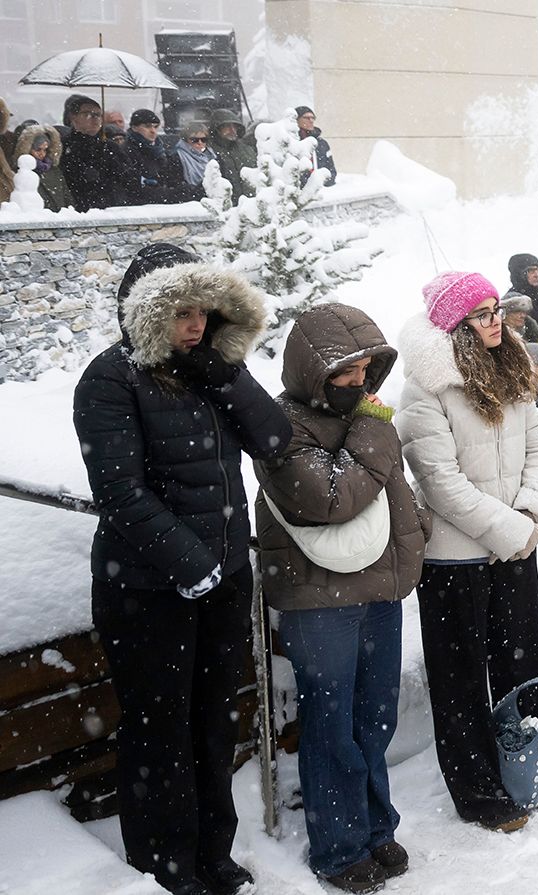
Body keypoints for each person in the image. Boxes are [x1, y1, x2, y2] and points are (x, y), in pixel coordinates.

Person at [74, 245, 291, 895]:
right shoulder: (110, 379)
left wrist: (228, 373)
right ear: (147, 312)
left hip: (222, 582)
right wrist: (192, 565)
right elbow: (121, 491)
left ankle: (212, 851)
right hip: (146, 590)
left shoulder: (209, 371)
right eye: (179, 312)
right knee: (159, 727)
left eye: (203, 311)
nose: (194, 325)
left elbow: (274, 440)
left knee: (213, 718)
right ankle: (167, 862)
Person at [256, 304, 426, 893]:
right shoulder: (283, 425)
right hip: (318, 601)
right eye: (344, 373)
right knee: (332, 724)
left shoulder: (362, 421)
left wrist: (417, 537)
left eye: (366, 371)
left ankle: (377, 829)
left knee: (373, 720)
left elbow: (388, 495)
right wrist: (375, 427)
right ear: (312, 371)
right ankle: (339, 846)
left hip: (379, 589)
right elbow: (332, 497)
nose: (358, 384)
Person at [395, 271, 538, 833]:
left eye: (497, 309)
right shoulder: (427, 386)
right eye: (482, 314)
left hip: (515, 548)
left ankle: (519, 767)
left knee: (522, 668)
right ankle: (477, 787)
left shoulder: (510, 370)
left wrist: (533, 515)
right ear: (457, 325)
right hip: (456, 560)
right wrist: (510, 530)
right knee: (461, 679)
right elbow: (438, 481)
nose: (497, 320)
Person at [59, 94, 129, 211]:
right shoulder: (64, 146)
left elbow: (128, 178)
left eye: (98, 114)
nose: (95, 118)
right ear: (73, 117)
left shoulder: (110, 147)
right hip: (79, 211)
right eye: (87, 114)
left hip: (113, 209)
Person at [124, 108, 191, 203]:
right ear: (134, 127)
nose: (153, 131)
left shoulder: (160, 150)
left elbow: (170, 178)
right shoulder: (127, 152)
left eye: (155, 127)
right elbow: (135, 190)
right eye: (147, 126)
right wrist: (172, 193)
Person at [295, 105, 337, 187]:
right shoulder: (291, 142)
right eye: (306, 118)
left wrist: (323, 183)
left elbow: (331, 170)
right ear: (297, 120)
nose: (311, 121)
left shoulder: (322, 143)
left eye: (312, 118)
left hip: (321, 191)